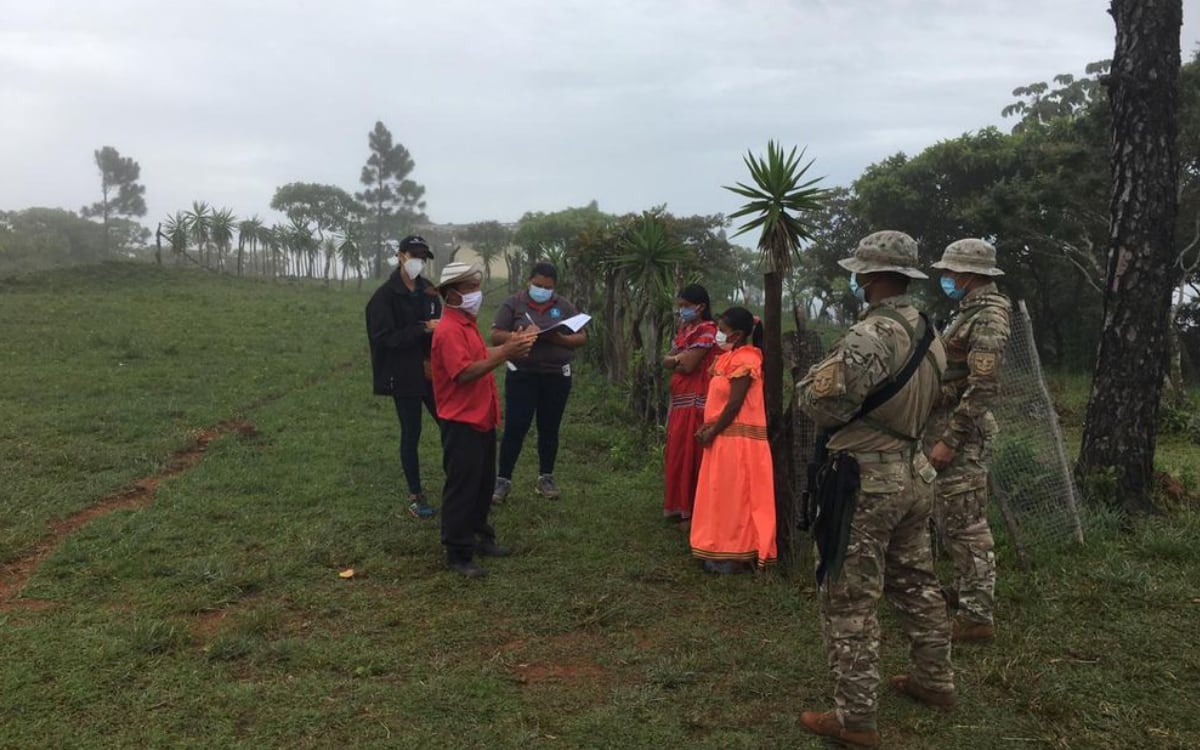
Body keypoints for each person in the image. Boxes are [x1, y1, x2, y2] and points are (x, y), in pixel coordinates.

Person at [796, 230, 954, 749]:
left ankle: (855, 719)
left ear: (868, 276)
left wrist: (808, 384)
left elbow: (824, 406)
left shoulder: (870, 335)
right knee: (916, 582)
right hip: (914, 473)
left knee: (850, 597)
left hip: (866, 481)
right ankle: (935, 680)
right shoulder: (932, 335)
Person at [926, 238, 1012, 643]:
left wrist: (951, 440)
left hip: (964, 435)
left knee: (968, 525)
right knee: (953, 519)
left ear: (969, 274)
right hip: (951, 424)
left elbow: (983, 387)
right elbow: (957, 375)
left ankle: (978, 617)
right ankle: (963, 593)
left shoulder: (989, 318)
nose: (946, 278)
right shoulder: (968, 312)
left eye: (950, 272)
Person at [431, 261, 536, 578]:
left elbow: (480, 356)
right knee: (462, 486)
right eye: (470, 289)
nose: (477, 294)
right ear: (452, 296)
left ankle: (479, 535)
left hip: (480, 415)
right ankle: (457, 552)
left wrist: (509, 346)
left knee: (481, 483)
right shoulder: (449, 331)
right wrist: (505, 354)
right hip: (461, 419)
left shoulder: (466, 325)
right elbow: (463, 373)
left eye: (477, 287)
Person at [689, 307, 777, 573]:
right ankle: (718, 547)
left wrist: (713, 430)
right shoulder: (729, 357)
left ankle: (737, 554)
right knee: (720, 495)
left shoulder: (747, 358)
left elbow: (735, 402)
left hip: (737, 441)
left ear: (737, 334)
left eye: (722, 330)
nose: (718, 334)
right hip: (722, 438)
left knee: (736, 497)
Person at [490, 262, 587, 502]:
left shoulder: (563, 305)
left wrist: (559, 339)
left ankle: (546, 478)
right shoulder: (513, 303)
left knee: (549, 428)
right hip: (522, 373)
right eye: (538, 285)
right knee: (515, 427)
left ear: (555, 287)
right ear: (529, 281)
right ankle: (502, 480)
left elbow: (581, 336)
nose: (542, 290)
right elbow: (495, 334)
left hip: (556, 376)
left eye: (547, 287)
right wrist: (518, 336)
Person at [365, 235, 441, 519]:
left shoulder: (430, 291)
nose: (418, 262)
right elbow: (383, 339)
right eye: (414, 255)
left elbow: (440, 326)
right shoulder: (384, 297)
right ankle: (415, 495)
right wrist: (422, 328)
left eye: (423, 257)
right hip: (403, 374)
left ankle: (457, 482)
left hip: (431, 372)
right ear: (400, 256)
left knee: (449, 424)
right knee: (412, 433)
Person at [661, 284, 719, 528]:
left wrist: (675, 359)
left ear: (700, 307)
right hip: (682, 399)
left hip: (697, 399)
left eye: (685, 306)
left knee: (690, 453)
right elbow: (667, 360)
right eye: (680, 306)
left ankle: (692, 511)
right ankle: (679, 507)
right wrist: (676, 359)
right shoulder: (686, 329)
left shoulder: (707, 331)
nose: (681, 310)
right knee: (677, 450)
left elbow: (688, 365)